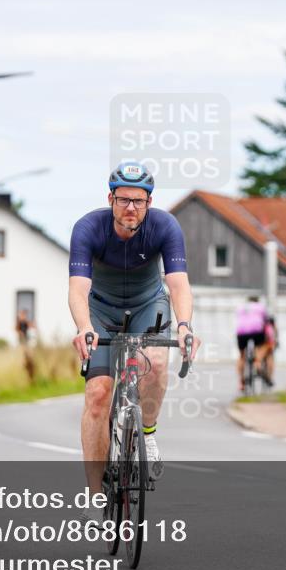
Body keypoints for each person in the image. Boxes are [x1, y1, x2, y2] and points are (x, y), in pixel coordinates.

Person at [68, 161, 201, 525]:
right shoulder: (88, 228)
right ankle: (95, 495)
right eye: (124, 199)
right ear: (110, 198)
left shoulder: (164, 226)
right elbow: (78, 288)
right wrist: (83, 327)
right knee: (97, 394)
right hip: (102, 311)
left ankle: (148, 433)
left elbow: (178, 284)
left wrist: (186, 325)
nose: (131, 208)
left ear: (149, 202)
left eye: (139, 201)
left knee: (156, 363)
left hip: (147, 306)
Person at [235, 295, 272, 393]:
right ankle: (257, 363)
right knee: (260, 346)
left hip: (241, 332)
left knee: (242, 355)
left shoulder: (241, 307)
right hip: (257, 331)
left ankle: (241, 381)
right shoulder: (261, 306)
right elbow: (267, 321)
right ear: (257, 301)